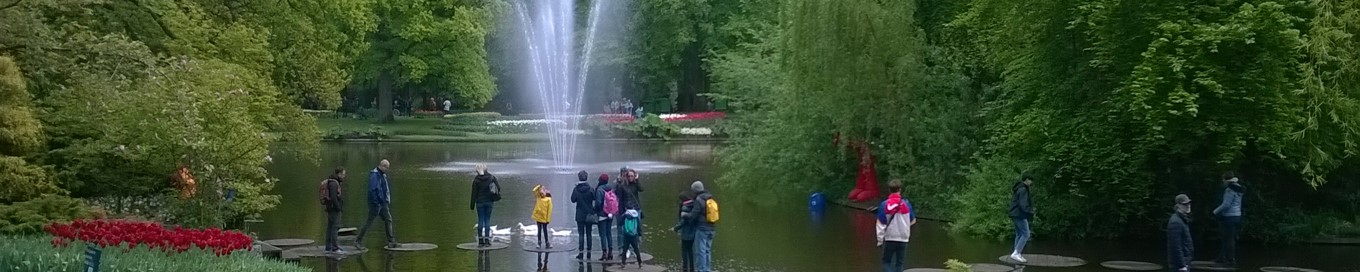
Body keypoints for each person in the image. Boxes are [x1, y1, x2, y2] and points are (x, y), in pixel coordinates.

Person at [876, 179, 916, 272]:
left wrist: (880, 240)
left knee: (886, 262)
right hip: (903, 238)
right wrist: (904, 227)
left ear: (889, 190)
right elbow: (913, 221)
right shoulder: (906, 204)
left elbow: (880, 224)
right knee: (900, 263)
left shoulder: (884, 205)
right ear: (900, 189)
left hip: (890, 237)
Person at [357, 159, 398, 250]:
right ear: (382, 166)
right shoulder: (375, 175)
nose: (387, 170)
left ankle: (391, 241)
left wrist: (384, 201)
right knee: (369, 222)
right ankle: (358, 241)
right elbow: (372, 190)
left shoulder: (381, 175)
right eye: (387, 168)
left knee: (388, 219)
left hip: (382, 203)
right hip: (376, 204)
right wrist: (376, 203)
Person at [1213, 171, 1244, 266]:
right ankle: (1222, 257)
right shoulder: (1238, 188)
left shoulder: (1229, 190)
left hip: (1229, 216)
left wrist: (1215, 211)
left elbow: (1226, 204)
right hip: (1237, 215)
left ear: (1226, 179)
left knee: (1228, 239)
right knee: (1227, 237)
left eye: (1223, 179)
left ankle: (1230, 260)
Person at [687, 181, 716, 272]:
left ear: (695, 190)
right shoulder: (710, 198)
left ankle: (701, 270)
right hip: (712, 228)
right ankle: (707, 269)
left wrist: (685, 215)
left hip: (702, 228)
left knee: (700, 251)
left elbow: (693, 215)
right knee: (707, 250)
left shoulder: (699, 199)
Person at [616, 168, 644, 260]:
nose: (630, 178)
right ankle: (624, 249)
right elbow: (619, 199)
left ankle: (635, 249)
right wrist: (620, 212)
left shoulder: (636, 184)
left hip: (636, 209)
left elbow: (642, 189)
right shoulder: (622, 185)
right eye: (629, 176)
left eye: (632, 176)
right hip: (626, 210)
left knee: (636, 229)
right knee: (626, 230)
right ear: (626, 176)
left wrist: (637, 180)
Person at [471, 164, 502, 247]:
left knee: (480, 220)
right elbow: (498, 188)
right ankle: (487, 241)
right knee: (487, 220)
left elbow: (474, 193)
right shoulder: (492, 178)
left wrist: (472, 205)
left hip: (480, 203)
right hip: (489, 202)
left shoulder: (476, 180)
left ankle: (481, 241)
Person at [1008, 174, 1036, 262]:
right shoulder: (1023, 189)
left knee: (1019, 234)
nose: (1031, 183)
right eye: (1031, 180)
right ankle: (1016, 253)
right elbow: (1023, 205)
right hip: (1020, 214)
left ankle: (1016, 253)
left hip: (1014, 213)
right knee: (1026, 234)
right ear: (1027, 180)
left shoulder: (1018, 188)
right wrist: (1031, 211)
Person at [571, 171, 597, 259]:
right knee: (589, 233)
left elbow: (573, 200)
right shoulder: (590, 188)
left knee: (581, 234)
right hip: (589, 214)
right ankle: (589, 252)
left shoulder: (576, 189)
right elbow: (595, 198)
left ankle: (581, 252)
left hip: (580, 214)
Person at [1168, 194, 1194, 272]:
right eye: (1185, 204)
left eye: (1189, 203)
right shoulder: (1176, 222)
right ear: (1178, 205)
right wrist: (1182, 265)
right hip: (1179, 265)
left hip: (1184, 262)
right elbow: (1176, 246)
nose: (1188, 205)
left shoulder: (1182, 220)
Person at [323, 167, 346, 255]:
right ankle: (334, 247)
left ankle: (328, 247)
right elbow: (333, 197)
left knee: (330, 227)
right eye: (343, 174)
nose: (344, 176)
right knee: (335, 227)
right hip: (333, 209)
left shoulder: (332, 181)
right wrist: (338, 208)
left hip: (330, 208)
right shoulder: (334, 183)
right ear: (339, 174)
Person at [595, 174, 618, 261]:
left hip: (602, 214)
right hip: (611, 214)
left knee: (603, 234)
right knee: (609, 233)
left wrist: (596, 210)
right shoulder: (611, 188)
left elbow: (598, 203)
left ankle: (604, 252)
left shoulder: (600, 190)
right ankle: (610, 252)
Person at [673, 191, 697, 272]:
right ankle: (692, 268)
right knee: (690, 251)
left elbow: (683, 222)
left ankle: (685, 268)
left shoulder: (685, 207)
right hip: (693, 233)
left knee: (684, 251)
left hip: (686, 233)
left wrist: (675, 228)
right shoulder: (694, 206)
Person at [532, 184, 553, 249]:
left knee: (545, 230)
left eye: (543, 190)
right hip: (538, 217)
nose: (542, 192)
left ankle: (547, 243)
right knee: (539, 230)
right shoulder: (538, 197)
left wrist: (548, 219)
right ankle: (539, 242)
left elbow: (549, 210)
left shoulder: (548, 200)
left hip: (544, 218)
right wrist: (539, 186)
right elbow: (534, 190)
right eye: (541, 190)